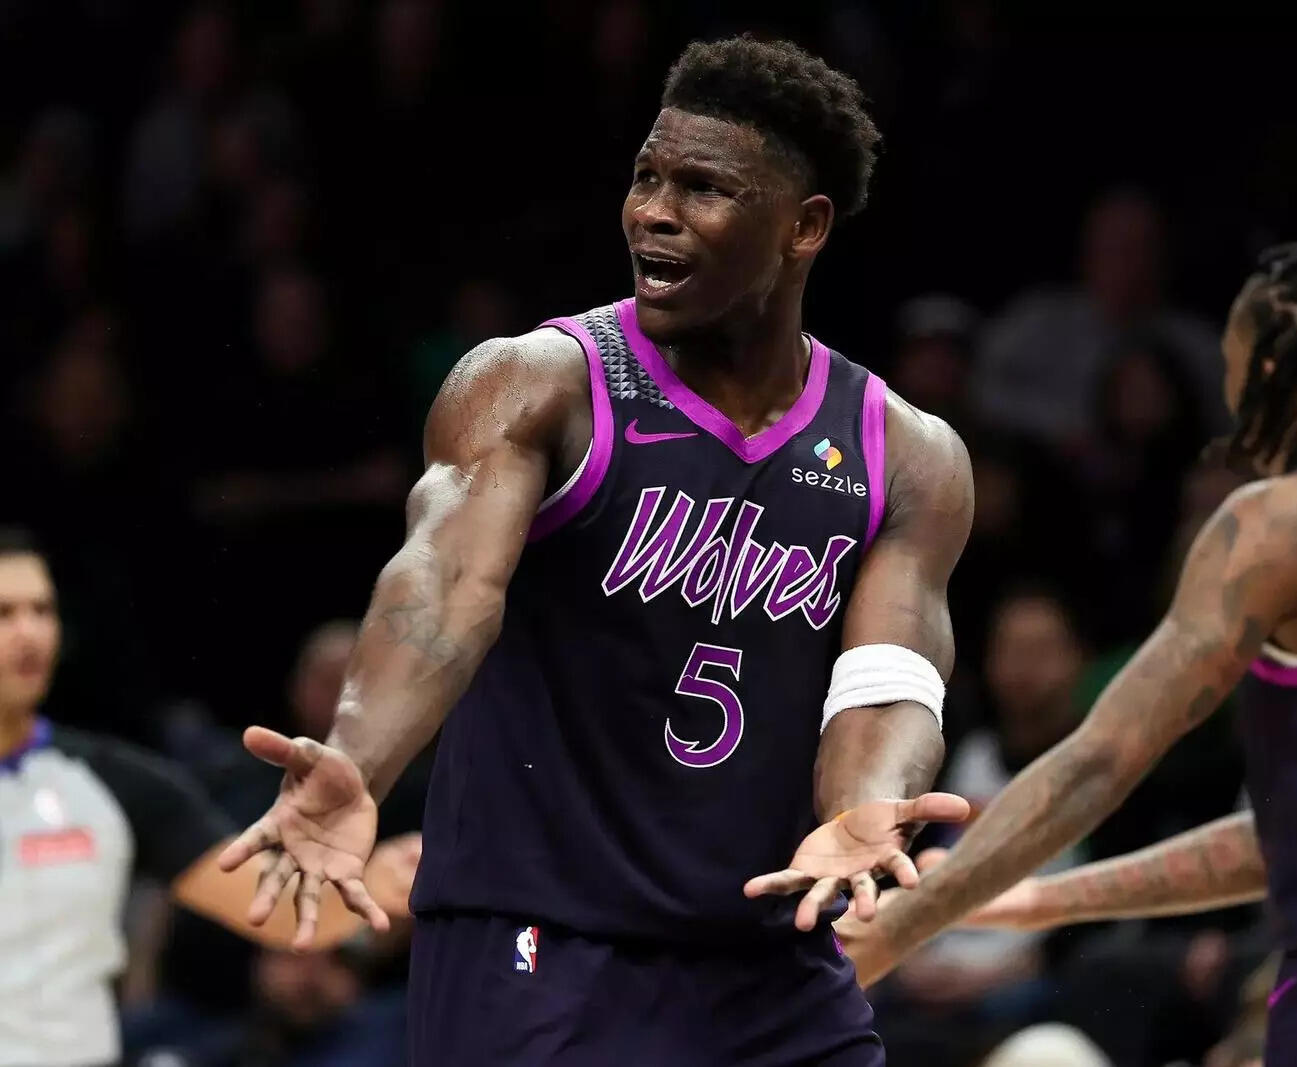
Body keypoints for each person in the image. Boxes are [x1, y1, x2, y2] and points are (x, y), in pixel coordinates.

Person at [220, 36, 973, 1067]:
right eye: (647, 176)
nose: (654, 212)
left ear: (803, 227)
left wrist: (858, 809)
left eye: (703, 187)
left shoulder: (909, 454)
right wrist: (359, 755)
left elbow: (885, 679)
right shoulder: (540, 381)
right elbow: (442, 590)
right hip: (539, 938)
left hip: (767, 956)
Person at [839, 220, 1297, 1066]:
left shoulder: (1294, 521)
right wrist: (1043, 898)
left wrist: (896, 928)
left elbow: (1099, 762)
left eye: (1236, 368)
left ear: (1278, 370)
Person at [0, 527, 411, 1067]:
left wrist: (374, 880)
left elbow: (275, 913)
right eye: (5, 613)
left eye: (42, 610)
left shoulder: (115, 782)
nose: (30, 633)